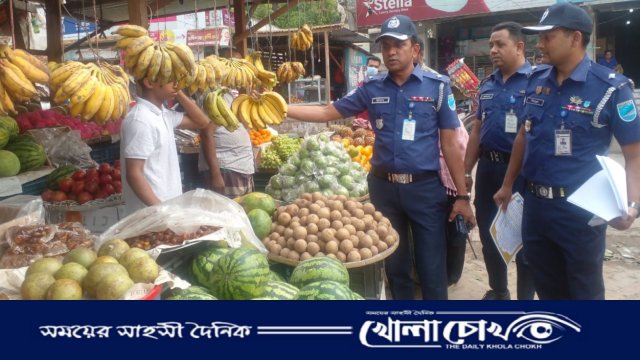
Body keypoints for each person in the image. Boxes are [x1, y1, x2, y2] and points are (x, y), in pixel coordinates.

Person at [287, 15, 476, 300]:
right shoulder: (372, 87)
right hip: (383, 189)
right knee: (395, 266)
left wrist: (462, 196)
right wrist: (280, 108)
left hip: (424, 189)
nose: (390, 51)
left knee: (431, 266)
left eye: (398, 45)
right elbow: (328, 112)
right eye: (385, 45)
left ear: (415, 49)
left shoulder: (437, 87)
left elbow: (450, 144)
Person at [494, 2, 640, 300]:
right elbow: (524, 134)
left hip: (582, 212)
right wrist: (508, 184)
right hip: (535, 208)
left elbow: (634, 153)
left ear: (575, 38)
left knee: (584, 291)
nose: (540, 42)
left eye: (549, 35)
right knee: (547, 290)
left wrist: (632, 204)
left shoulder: (611, 89)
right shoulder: (535, 81)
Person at [463, 22, 537, 300]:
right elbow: (477, 130)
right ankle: (499, 290)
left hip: (522, 173)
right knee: (488, 232)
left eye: (500, 44)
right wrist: (467, 172)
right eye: (491, 45)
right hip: (489, 169)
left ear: (519, 47)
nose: (493, 50)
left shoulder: (537, 83)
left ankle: (525, 300)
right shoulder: (487, 85)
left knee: (525, 237)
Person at [416, 37, 468, 286]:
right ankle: (442, 275)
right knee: (439, 233)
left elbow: (455, 141)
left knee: (452, 228)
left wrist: (462, 191)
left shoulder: (436, 85)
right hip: (434, 175)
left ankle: (449, 275)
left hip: (446, 173)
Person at [120, 81, 210, 216]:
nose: (177, 84)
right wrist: (162, 211)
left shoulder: (163, 114)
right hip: (151, 217)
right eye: (170, 79)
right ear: (149, 82)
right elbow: (134, 174)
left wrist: (178, 93)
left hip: (167, 212)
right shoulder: (140, 120)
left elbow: (202, 121)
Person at [199, 48, 256, 198]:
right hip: (226, 168)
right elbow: (206, 133)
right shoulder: (213, 96)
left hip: (241, 167)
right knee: (226, 217)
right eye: (232, 63)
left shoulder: (232, 95)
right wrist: (215, 173)